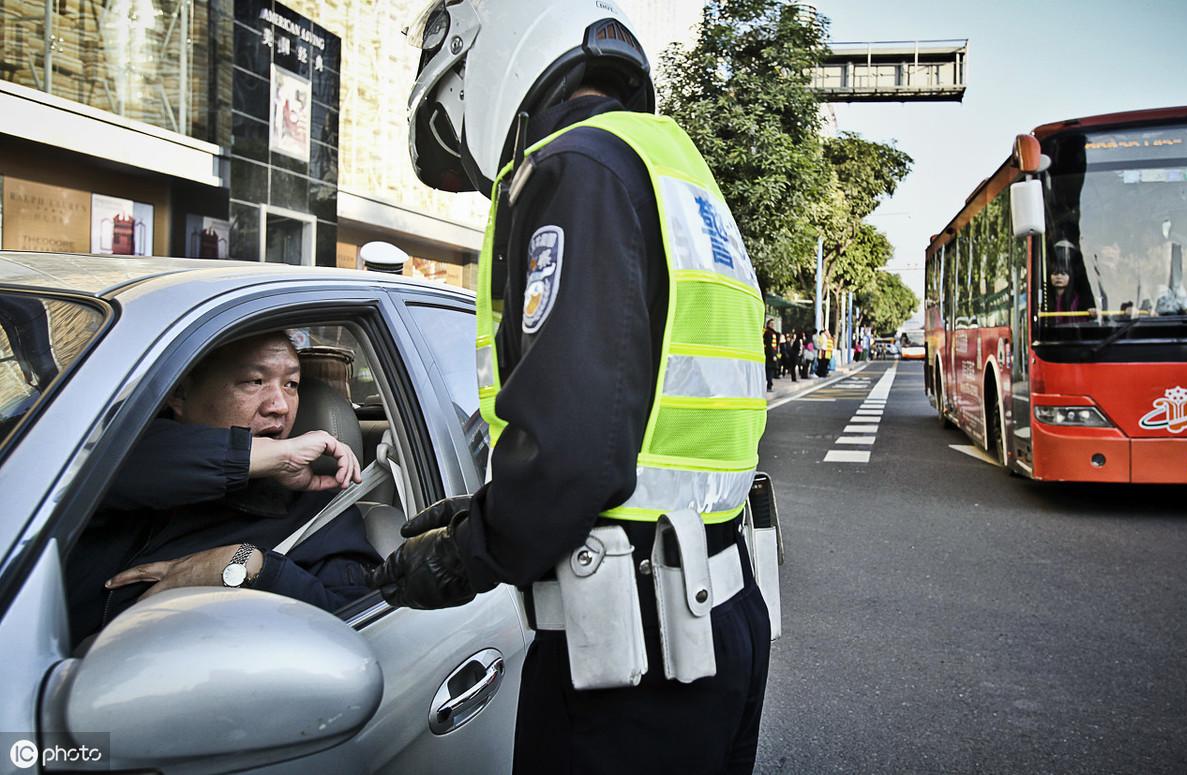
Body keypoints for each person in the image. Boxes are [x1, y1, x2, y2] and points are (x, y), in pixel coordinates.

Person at [367, 2, 772, 772]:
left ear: (480, 64)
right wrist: (491, 505)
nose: (477, 161)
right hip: (713, 626)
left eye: (454, 120)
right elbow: (641, 411)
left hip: (630, 668)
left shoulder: (573, 167)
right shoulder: (673, 172)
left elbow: (575, 454)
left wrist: (467, 551)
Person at [66, 332, 379, 647]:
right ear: (180, 395)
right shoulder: (107, 460)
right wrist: (279, 456)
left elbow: (359, 627)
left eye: (291, 384)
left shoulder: (317, 513)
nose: (280, 406)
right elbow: (105, 460)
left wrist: (247, 563)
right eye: (254, 381)